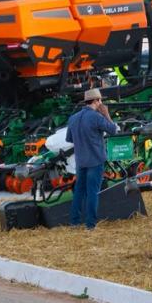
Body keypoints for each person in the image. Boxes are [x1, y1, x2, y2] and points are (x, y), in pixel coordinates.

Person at [65, 88, 118, 229]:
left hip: (80, 161)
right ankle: (90, 225)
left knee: (79, 192)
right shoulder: (97, 117)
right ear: (96, 101)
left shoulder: (73, 118)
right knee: (92, 193)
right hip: (95, 160)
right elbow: (113, 130)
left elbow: (69, 139)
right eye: (101, 100)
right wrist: (106, 114)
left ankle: (74, 222)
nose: (102, 102)